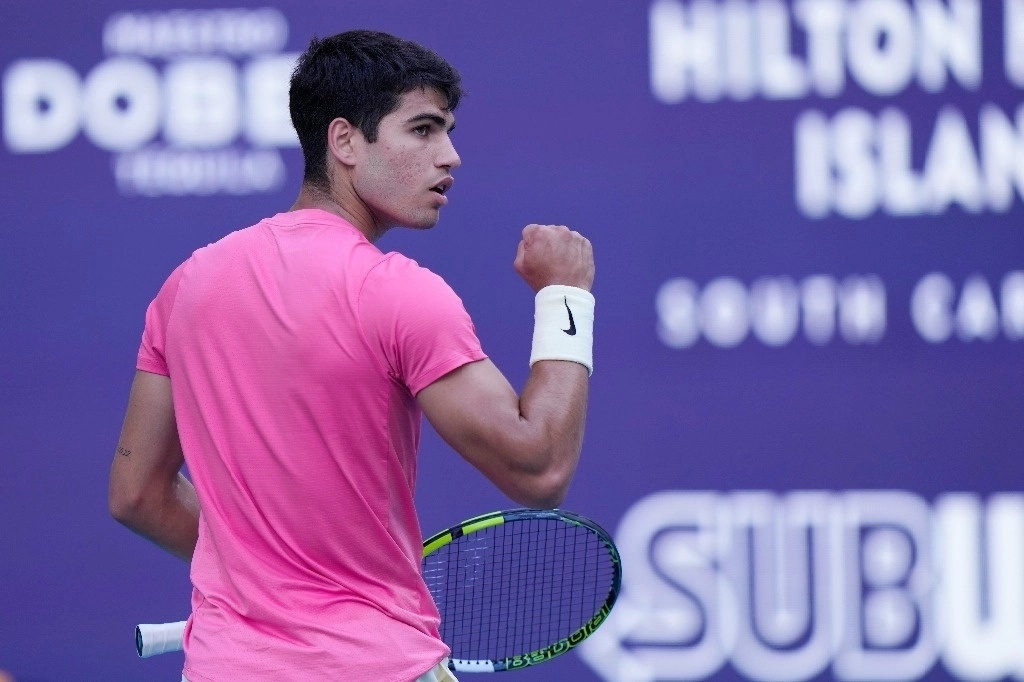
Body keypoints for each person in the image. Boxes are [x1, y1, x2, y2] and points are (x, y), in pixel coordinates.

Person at [108, 29, 595, 682]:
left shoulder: (186, 286)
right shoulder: (397, 293)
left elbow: (137, 495)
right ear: (344, 142)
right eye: (422, 130)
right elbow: (539, 470)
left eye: (446, 131)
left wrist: (268, 576)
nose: (449, 156)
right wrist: (566, 295)